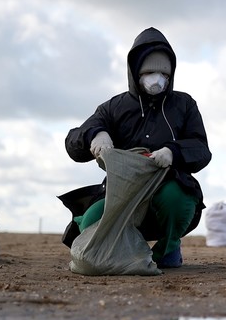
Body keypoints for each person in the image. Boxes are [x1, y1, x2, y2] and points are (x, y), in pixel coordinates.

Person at [63, 27, 211, 269]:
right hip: (121, 194)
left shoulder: (184, 104)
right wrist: (95, 134)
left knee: (178, 200)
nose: (158, 78)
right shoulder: (113, 108)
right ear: (135, 71)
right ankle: (118, 243)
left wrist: (174, 152)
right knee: (91, 219)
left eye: (164, 72)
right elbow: (72, 143)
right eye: (150, 71)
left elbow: (201, 149)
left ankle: (169, 248)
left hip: (166, 190)